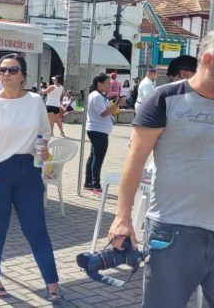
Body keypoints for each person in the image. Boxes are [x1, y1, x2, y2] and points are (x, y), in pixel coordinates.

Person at [107, 31, 214, 308]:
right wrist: (122, 217)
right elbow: (135, 161)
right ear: (208, 59)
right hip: (174, 230)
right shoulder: (165, 98)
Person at [0, 53, 61, 301]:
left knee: (36, 229)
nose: (6, 74)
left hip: (28, 171)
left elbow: (43, 134)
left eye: (12, 70)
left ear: (23, 75)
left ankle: (52, 281)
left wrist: (44, 152)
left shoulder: (35, 101)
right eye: (2, 70)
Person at [83, 73, 126, 195]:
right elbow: (104, 113)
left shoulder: (99, 96)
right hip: (98, 130)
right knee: (98, 158)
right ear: (99, 84)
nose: (109, 86)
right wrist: (117, 104)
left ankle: (89, 182)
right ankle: (96, 186)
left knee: (93, 156)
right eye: (107, 84)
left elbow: (107, 111)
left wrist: (116, 103)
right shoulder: (96, 96)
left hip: (99, 129)